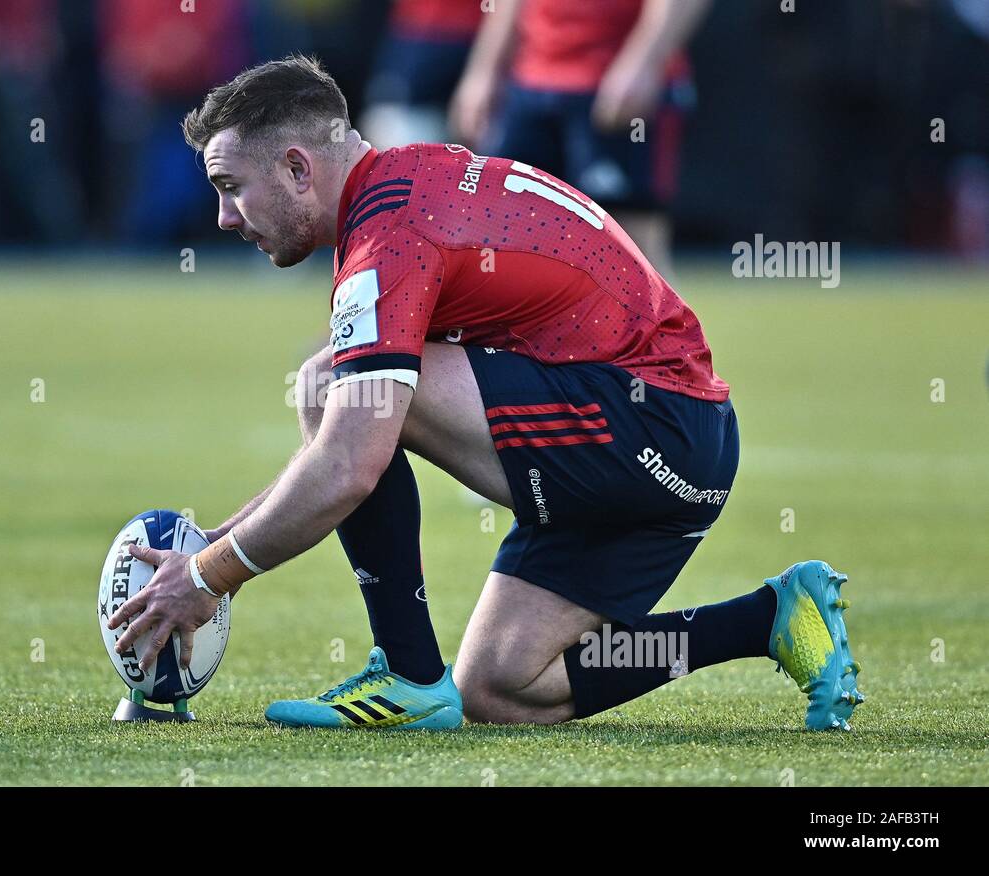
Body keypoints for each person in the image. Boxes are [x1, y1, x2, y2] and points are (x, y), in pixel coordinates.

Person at [108, 56, 864, 732]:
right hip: (667, 441)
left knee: (338, 386)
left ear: (300, 169)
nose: (222, 216)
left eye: (231, 187)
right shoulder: (406, 183)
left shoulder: (391, 234)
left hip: (649, 427)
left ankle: (407, 673)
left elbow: (348, 465)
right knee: (502, 688)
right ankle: (772, 616)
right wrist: (211, 550)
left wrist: (210, 577)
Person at [449, 0, 711, 277]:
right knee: (502, 235)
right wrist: (484, 70)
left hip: (612, 85)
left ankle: (662, 321)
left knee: (630, 244)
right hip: (531, 81)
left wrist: (646, 62)